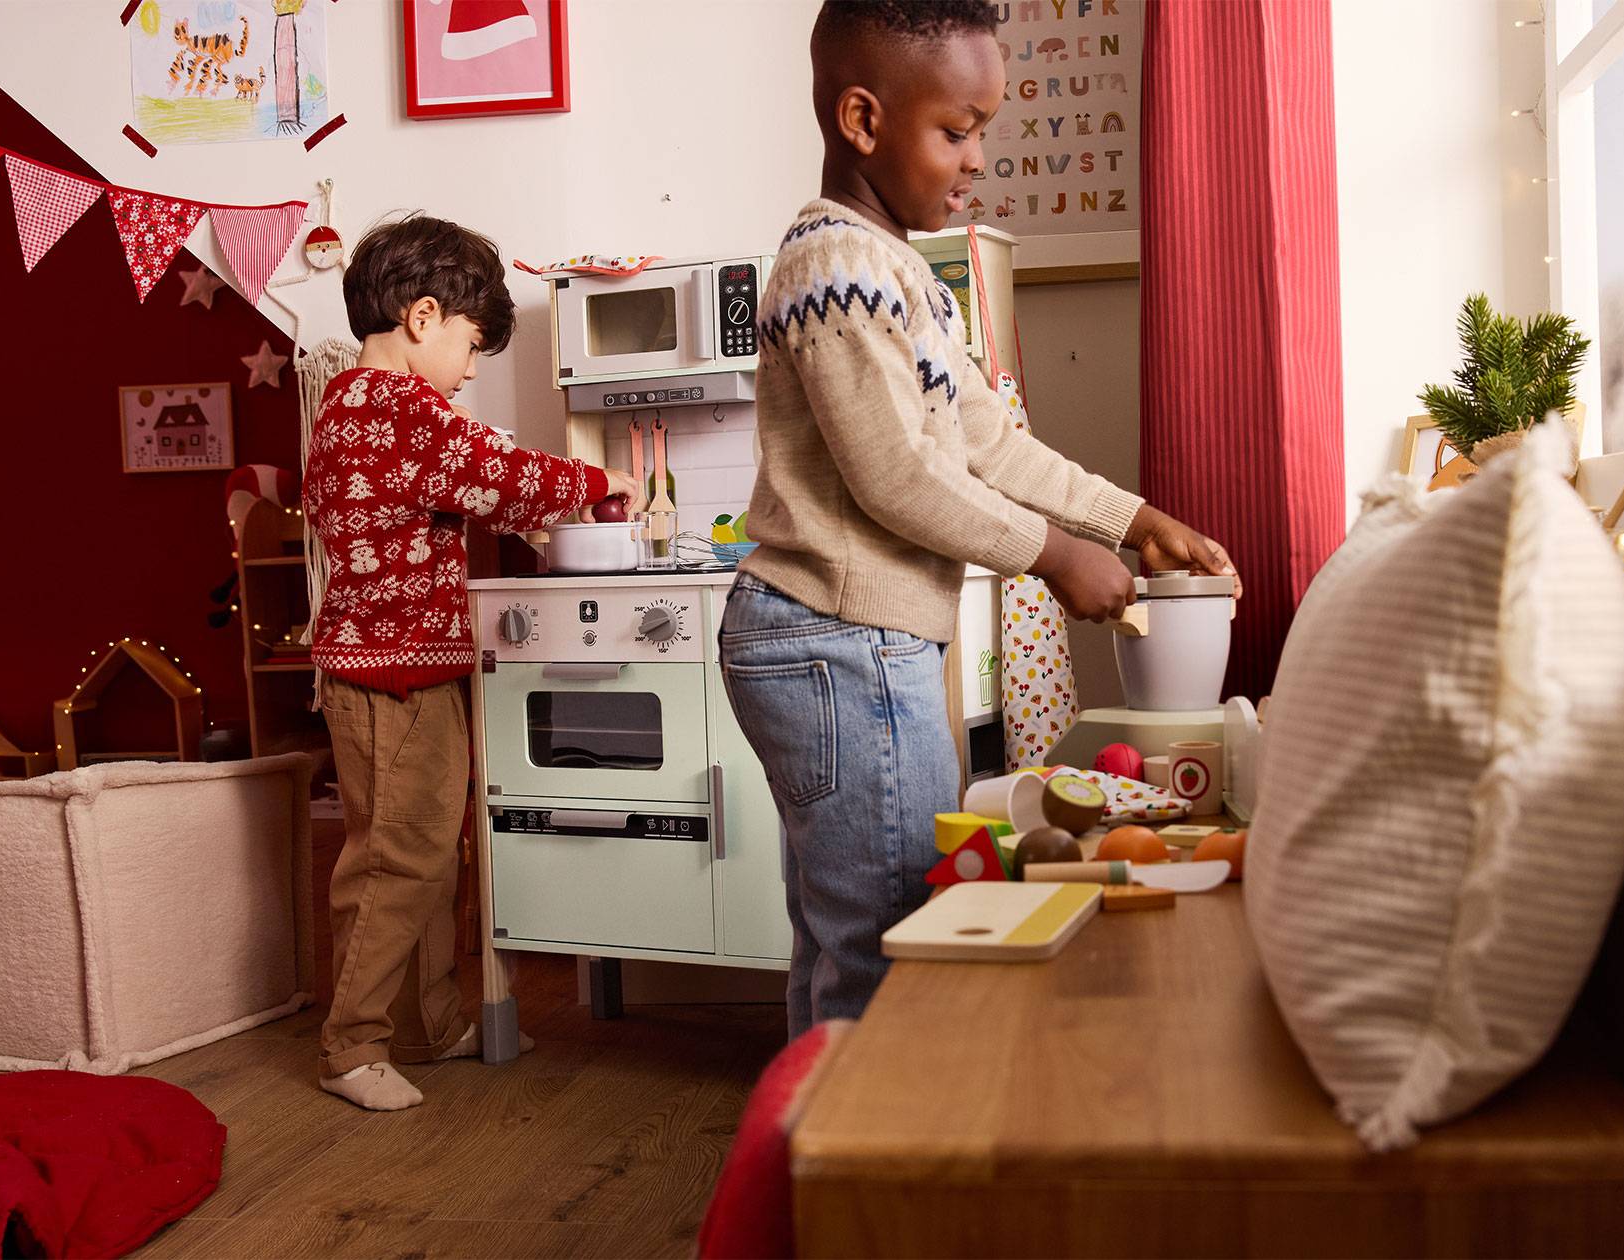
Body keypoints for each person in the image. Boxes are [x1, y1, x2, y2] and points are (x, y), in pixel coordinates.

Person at [720, 0, 1242, 1038]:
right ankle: (863, 1176)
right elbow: (898, 480)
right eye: (956, 131)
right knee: (888, 935)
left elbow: (986, 443)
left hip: (850, 642)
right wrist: (1053, 555)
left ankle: (807, 1158)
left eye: (984, 132)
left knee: (846, 932)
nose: (976, 160)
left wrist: (1130, 516)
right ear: (862, 121)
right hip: (835, 641)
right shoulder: (833, 268)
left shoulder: (899, 270)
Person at [303, 214, 641, 1109]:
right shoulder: (397, 407)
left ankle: (433, 1022)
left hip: (409, 666)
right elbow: (498, 472)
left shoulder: (351, 404)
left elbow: (450, 488)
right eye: (469, 347)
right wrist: (601, 482)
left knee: (430, 857)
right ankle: (351, 1046)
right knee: (396, 862)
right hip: (390, 674)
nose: (469, 370)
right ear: (422, 318)